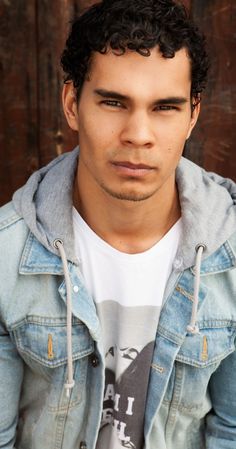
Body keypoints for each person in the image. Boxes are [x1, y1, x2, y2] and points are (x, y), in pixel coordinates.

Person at [0, 0, 235, 448]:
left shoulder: (231, 254)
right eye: (113, 102)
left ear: (193, 115)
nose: (138, 134)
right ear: (72, 104)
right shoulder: (6, 257)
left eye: (165, 107)